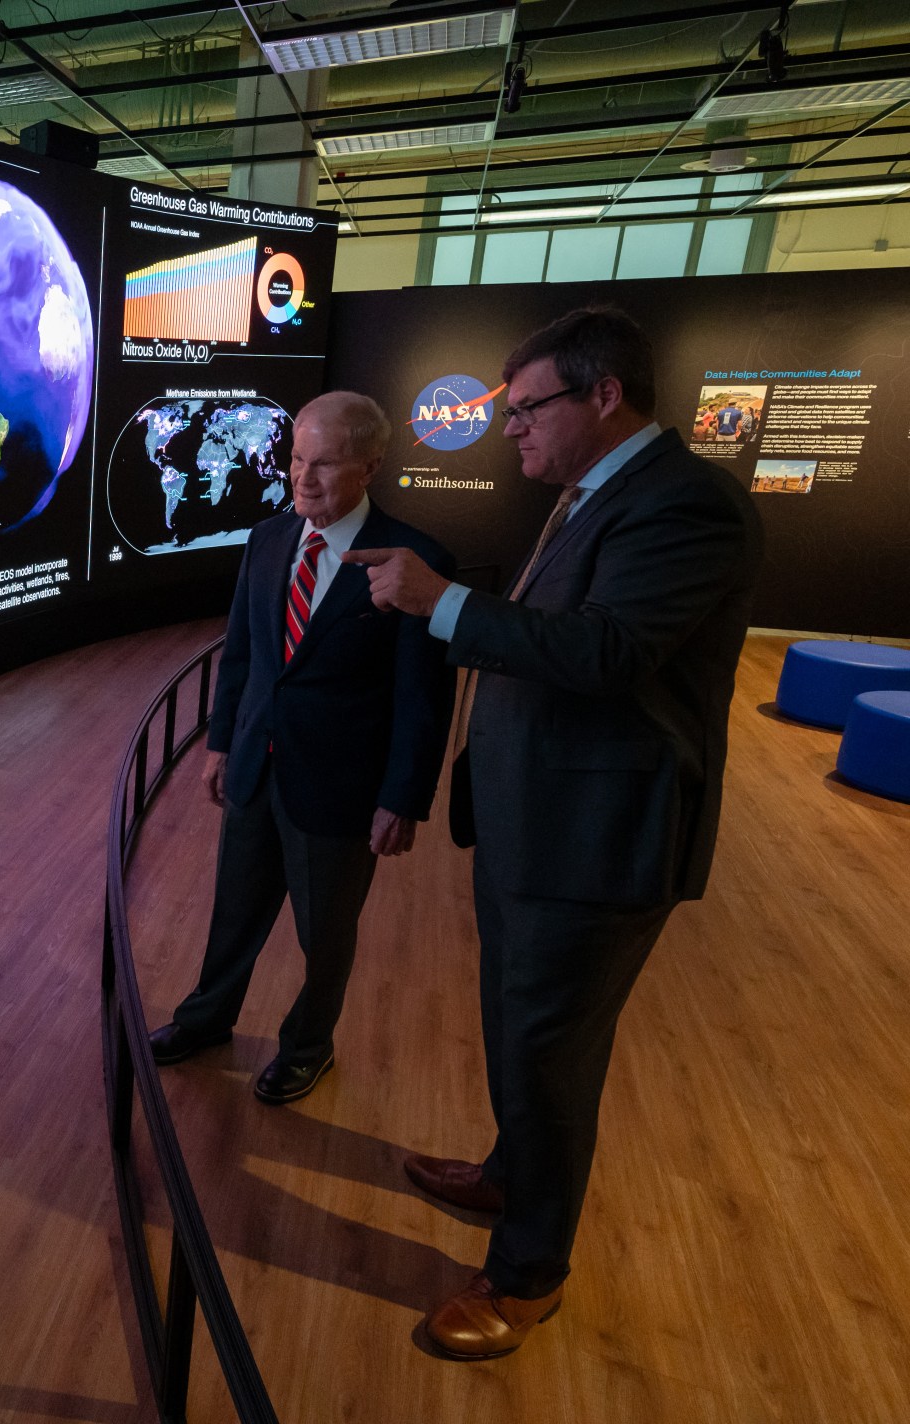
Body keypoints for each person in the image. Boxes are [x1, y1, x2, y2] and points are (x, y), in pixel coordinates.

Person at [346, 306, 762, 1360]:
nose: (510, 430)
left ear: (601, 394)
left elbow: (607, 650)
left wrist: (442, 604)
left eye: (526, 408)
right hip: (539, 830)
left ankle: (526, 1275)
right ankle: (507, 1170)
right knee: (518, 1032)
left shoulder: (684, 503)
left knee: (549, 1052)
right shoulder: (594, 495)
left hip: (597, 843)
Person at [148, 391, 455, 1105]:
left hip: (340, 792)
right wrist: (222, 744)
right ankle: (206, 1021)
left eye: (324, 464)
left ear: (370, 465)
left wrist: (402, 797)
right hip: (257, 768)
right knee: (233, 914)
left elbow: (422, 699)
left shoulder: (416, 563)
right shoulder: (268, 540)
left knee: (324, 935)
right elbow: (246, 657)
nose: (303, 478)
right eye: (295, 459)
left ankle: (309, 1048)